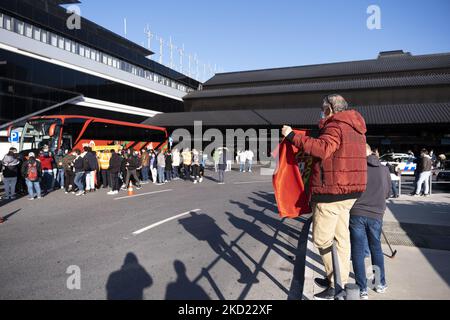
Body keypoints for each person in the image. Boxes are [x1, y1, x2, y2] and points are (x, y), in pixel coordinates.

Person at [282, 94, 367, 300]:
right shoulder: (356, 127)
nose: (321, 112)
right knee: (341, 237)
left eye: (323, 108)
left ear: (330, 108)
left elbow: (323, 149)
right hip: (350, 192)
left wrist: (292, 136)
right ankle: (341, 280)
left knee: (321, 238)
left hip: (331, 191)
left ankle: (334, 283)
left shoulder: (335, 125)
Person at [349, 144, 390, 299]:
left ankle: (362, 289)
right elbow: (387, 192)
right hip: (376, 214)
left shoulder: (357, 168)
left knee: (358, 251)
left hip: (356, 213)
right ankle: (379, 283)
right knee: (376, 248)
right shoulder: (384, 169)